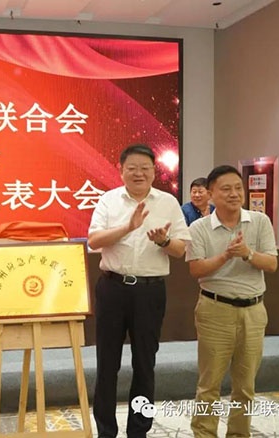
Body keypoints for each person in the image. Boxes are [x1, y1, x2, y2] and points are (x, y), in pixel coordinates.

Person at [88, 144, 191, 438]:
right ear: (121, 170)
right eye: (132, 168)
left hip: (149, 291)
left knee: (145, 364)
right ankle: (106, 431)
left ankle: (139, 431)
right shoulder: (109, 200)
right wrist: (128, 227)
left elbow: (180, 249)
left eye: (145, 168)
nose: (139, 173)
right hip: (112, 288)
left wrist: (163, 242)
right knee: (107, 364)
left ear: (154, 172)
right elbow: (94, 241)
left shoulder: (168, 202)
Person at [186, 165, 277, 438]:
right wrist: (226, 255)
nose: (234, 194)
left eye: (238, 188)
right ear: (211, 194)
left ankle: (239, 434)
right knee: (209, 385)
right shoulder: (199, 227)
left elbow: (271, 264)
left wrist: (247, 253)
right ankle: (204, 434)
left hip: (253, 311)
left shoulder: (260, 221)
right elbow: (196, 269)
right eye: (226, 189)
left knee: (245, 387)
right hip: (215, 310)